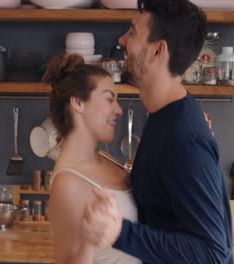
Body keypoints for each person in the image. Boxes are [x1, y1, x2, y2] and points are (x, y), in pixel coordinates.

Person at [82, 0, 234, 263]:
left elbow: (212, 254)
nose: (122, 40)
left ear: (157, 51)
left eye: (132, 32)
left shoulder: (184, 140)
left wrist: (119, 232)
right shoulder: (165, 118)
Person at [44, 54, 142, 264]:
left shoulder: (106, 158)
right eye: (109, 99)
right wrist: (89, 240)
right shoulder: (67, 182)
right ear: (78, 102)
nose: (118, 110)